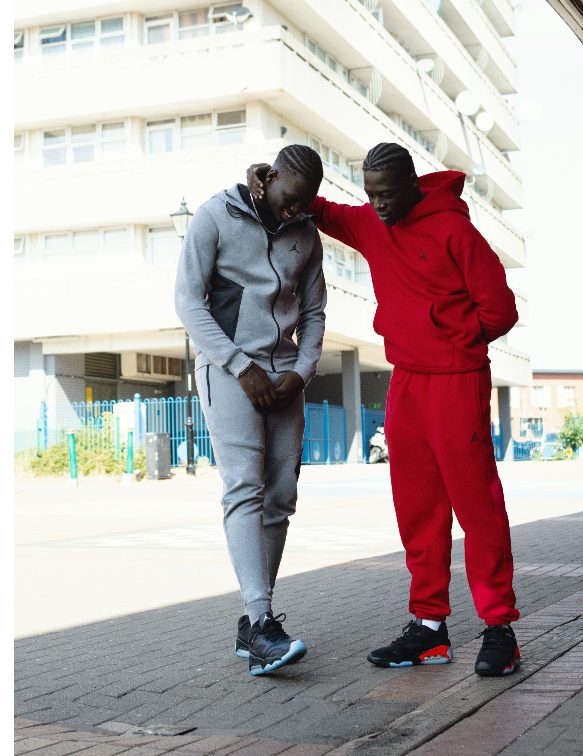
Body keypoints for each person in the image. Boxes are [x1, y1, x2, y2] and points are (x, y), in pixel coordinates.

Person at [248, 142, 521, 676]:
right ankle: (429, 629)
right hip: (407, 382)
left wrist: (451, 341)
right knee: (417, 508)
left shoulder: (456, 232)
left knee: (477, 506)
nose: (379, 206)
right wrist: (264, 176)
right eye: (371, 195)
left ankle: (499, 629)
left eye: (388, 195)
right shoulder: (372, 223)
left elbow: (501, 311)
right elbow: (315, 206)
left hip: (457, 380)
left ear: (413, 186)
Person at [175, 145, 327, 676]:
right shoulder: (214, 216)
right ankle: (262, 622)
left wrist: (300, 372)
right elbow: (188, 302)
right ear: (271, 176)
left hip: (284, 376)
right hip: (228, 370)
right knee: (244, 487)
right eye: (290, 199)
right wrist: (240, 366)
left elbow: (314, 311)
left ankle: (254, 625)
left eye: (306, 203)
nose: (296, 210)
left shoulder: (306, 232)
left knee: (281, 497)